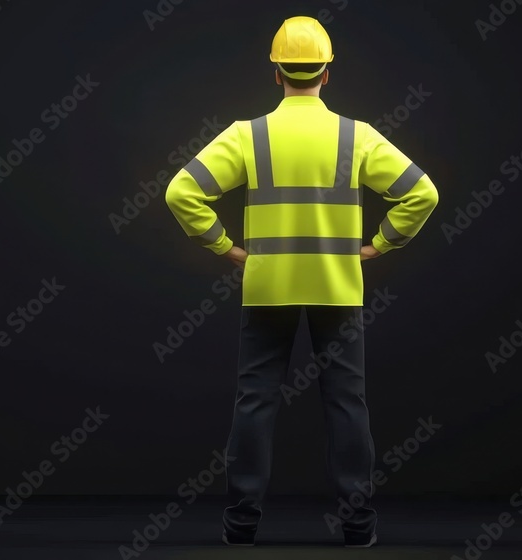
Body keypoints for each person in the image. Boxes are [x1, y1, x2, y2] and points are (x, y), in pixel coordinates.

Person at [163, 15, 439, 548]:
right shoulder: (356, 136)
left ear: (276, 73)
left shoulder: (249, 135)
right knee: (347, 404)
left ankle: (240, 525)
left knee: (254, 401)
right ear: (326, 74)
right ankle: (358, 526)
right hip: (338, 286)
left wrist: (227, 247)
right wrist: (380, 244)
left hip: (268, 288)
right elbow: (422, 194)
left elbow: (180, 193)